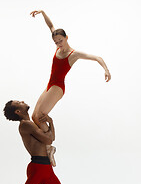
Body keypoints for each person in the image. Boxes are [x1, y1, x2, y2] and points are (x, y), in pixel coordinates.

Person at [30, 10, 112, 166]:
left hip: (58, 86)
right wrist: (42, 12)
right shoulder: (57, 45)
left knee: (41, 114)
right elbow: (51, 25)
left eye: (60, 41)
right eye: (56, 42)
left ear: (66, 38)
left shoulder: (73, 54)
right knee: (34, 116)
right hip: (49, 84)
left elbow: (96, 57)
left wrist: (106, 69)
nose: (58, 44)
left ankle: (49, 147)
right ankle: (46, 144)